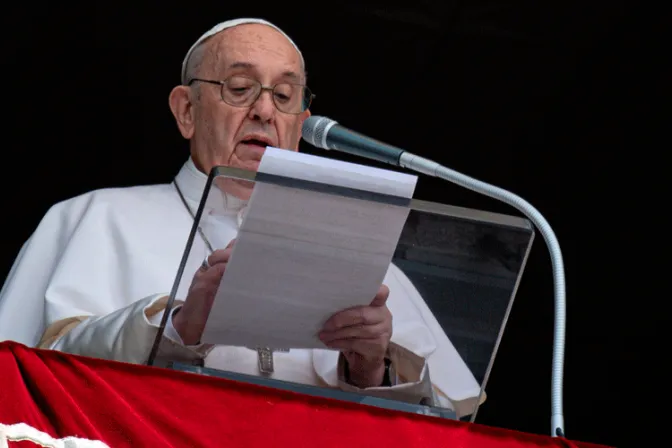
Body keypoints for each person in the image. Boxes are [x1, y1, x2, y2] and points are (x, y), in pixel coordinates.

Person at [0, 18, 482, 417]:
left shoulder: (361, 252)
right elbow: (31, 384)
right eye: (239, 88)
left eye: (286, 96)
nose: (264, 111)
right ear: (187, 110)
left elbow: (445, 424)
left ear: (301, 124)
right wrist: (176, 325)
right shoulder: (94, 217)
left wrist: (371, 370)